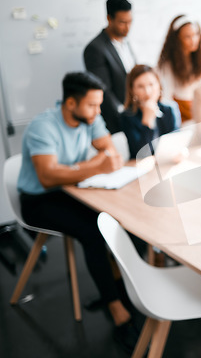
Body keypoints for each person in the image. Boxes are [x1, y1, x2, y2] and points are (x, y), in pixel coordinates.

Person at [17, 72, 139, 352]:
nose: (98, 112)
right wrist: (95, 166)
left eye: (99, 105)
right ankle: (117, 309)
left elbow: (111, 152)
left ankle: (115, 286)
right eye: (92, 106)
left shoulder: (90, 117)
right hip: (38, 200)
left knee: (113, 219)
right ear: (70, 103)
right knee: (92, 231)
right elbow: (48, 177)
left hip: (72, 189)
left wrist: (77, 169)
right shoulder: (42, 127)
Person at [84, 0, 135, 134]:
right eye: (122, 22)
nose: (127, 27)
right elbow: (104, 91)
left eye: (130, 21)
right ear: (109, 19)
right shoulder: (95, 48)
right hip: (117, 121)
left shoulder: (127, 43)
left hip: (134, 112)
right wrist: (125, 116)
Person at [121, 64, 181, 158]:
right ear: (132, 90)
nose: (147, 91)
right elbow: (141, 155)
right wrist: (147, 122)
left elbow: (175, 143)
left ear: (159, 85)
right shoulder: (127, 116)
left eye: (151, 84)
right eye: (140, 86)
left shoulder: (170, 109)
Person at [157, 14, 201, 123]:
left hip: (199, 112)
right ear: (177, 39)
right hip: (181, 116)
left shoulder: (200, 60)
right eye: (187, 36)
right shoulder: (168, 65)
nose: (193, 40)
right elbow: (167, 98)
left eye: (196, 34)